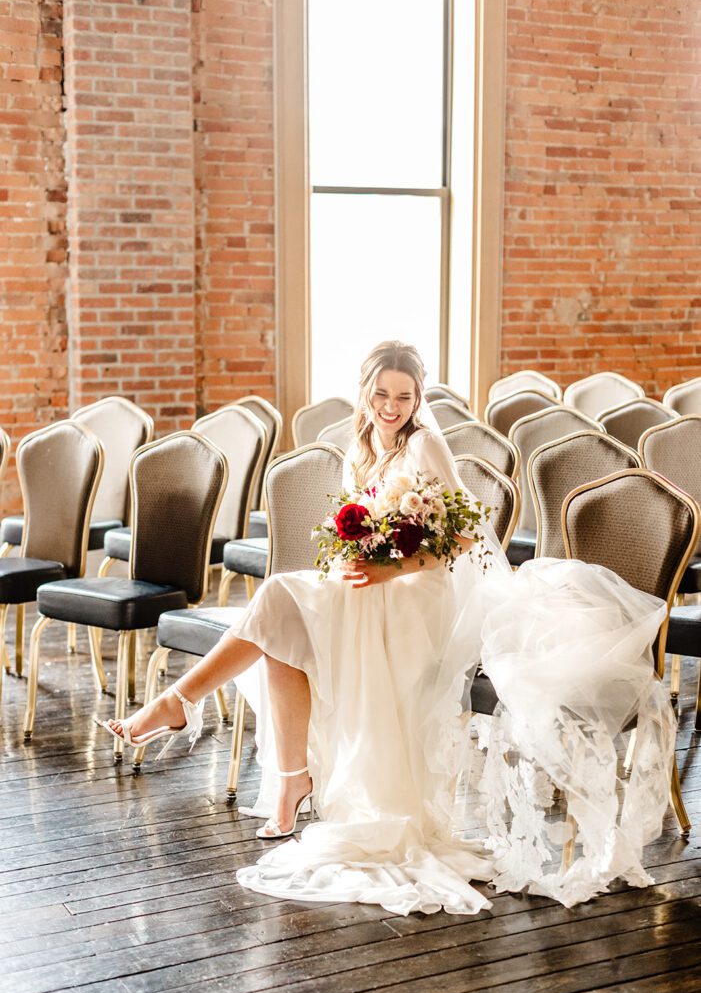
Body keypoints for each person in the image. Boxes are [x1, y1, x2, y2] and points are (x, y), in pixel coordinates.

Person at [102, 341, 676, 915]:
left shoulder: (425, 443)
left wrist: (388, 568)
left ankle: (184, 708)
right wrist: (360, 562)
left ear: (418, 397)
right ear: (364, 390)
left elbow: (459, 540)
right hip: (371, 582)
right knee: (282, 626)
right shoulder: (357, 447)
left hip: (417, 595)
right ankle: (287, 780)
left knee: (279, 602)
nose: (390, 406)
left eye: (403, 396)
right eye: (381, 393)